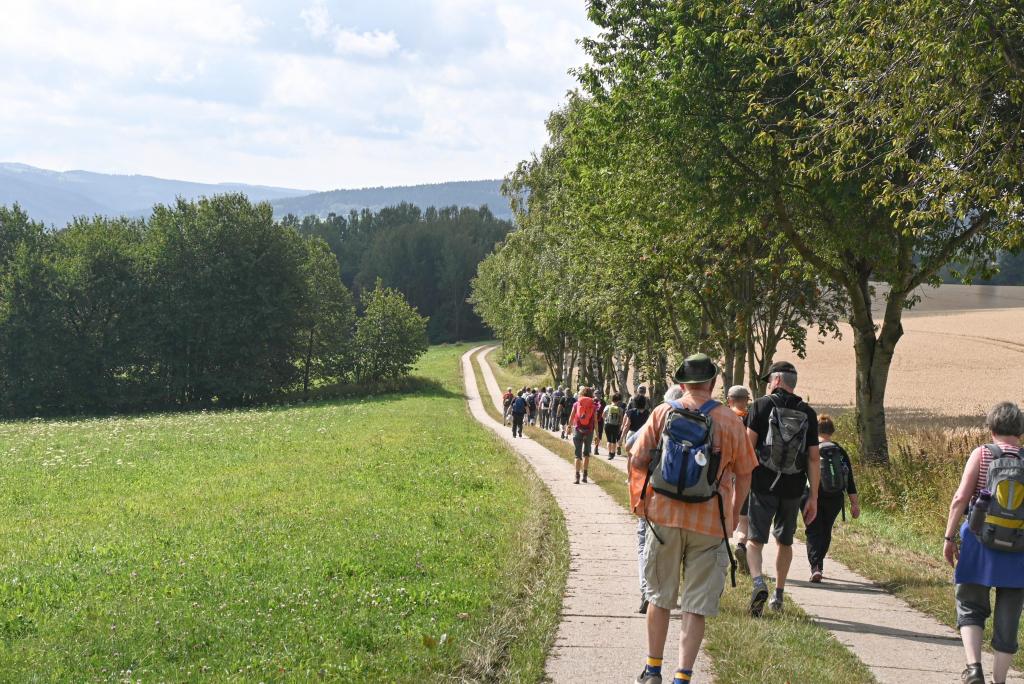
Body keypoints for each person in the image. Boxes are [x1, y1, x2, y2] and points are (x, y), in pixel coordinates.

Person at [631, 354, 757, 684]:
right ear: (714, 383)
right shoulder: (731, 421)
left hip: (664, 519)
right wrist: (732, 513)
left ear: (683, 383)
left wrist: (646, 500)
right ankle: (682, 676)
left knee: (659, 597)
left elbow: (637, 457)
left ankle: (653, 669)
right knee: (696, 604)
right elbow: (745, 473)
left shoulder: (663, 412)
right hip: (710, 522)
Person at [943, 401, 1024, 684]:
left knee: (969, 604)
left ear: (991, 427)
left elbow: (960, 499)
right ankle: (999, 680)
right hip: (1019, 548)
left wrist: (949, 537)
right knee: (1009, 615)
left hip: (979, 542)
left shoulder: (982, 454)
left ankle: (974, 668)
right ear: (1020, 431)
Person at [744, 361, 820, 616]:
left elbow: (746, 449)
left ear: (776, 381)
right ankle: (778, 593)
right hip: (793, 487)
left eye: (769, 380)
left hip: (762, 485)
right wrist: (814, 497)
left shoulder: (760, 406)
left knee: (755, 540)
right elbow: (812, 458)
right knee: (784, 542)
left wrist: (740, 483)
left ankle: (757, 582)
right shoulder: (807, 413)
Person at [805, 414, 859, 582]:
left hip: (813, 494)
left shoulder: (812, 448)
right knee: (826, 530)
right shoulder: (840, 451)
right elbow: (849, 480)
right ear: (832, 431)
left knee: (813, 530)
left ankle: (816, 567)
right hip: (835, 498)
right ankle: (818, 564)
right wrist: (854, 504)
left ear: (816, 430)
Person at [727, 385, 753, 574]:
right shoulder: (752, 418)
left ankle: (721, 551)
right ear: (747, 400)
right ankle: (741, 544)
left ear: (729, 399)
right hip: (745, 473)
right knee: (744, 518)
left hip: (724, 474)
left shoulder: (723, 417)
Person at [569, 387, 598, 484]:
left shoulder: (576, 404)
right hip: (589, 431)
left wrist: (569, 427)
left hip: (578, 430)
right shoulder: (593, 406)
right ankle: (585, 476)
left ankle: (577, 476)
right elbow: (595, 421)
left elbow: (572, 416)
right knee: (586, 454)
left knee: (577, 455)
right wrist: (597, 434)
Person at [604, 392, 625, 460]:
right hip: (616, 426)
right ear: (619, 400)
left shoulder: (607, 407)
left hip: (608, 425)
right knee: (614, 441)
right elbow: (621, 419)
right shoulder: (620, 409)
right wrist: (620, 425)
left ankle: (609, 453)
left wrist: (606, 419)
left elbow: (603, 415)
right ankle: (613, 453)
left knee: (608, 440)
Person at [593, 388, 606, 456]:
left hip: (600, 420)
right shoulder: (592, 401)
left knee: (598, 435)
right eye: (596, 394)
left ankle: (596, 447)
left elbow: (604, 411)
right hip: (592, 420)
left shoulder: (603, 402)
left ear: (601, 395)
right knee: (590, 433)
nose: (597, 395)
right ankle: (590, 446)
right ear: (594, 394)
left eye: (599, 394)